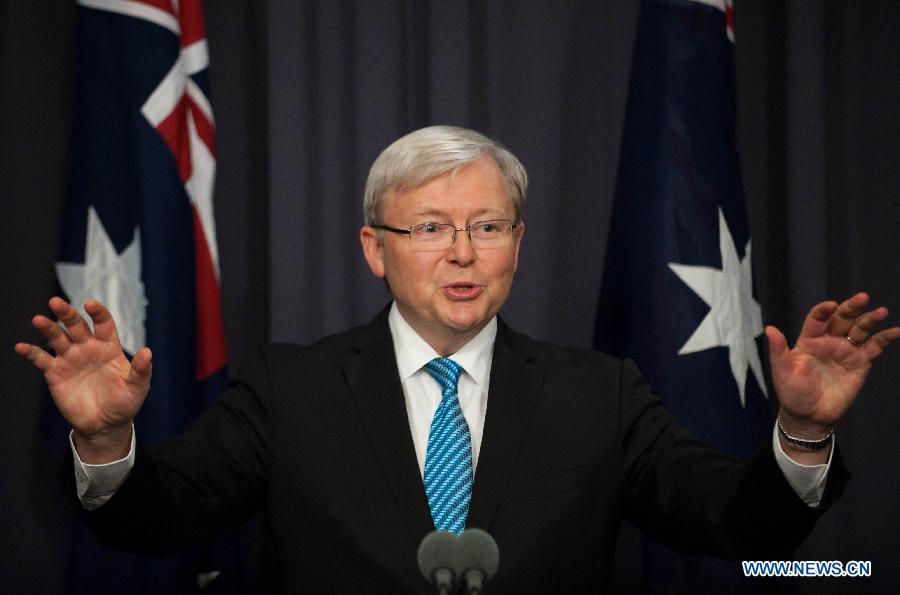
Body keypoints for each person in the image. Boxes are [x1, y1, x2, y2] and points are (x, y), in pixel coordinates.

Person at [16, 126, 899, 592]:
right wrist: (104, 443)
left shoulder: (600, 394)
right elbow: (151, 523)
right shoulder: (289, 390)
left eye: (487, 226)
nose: (463, 253)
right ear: (375, 247)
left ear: (518, 242)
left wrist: (803, 430)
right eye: (431, 228)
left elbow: (743, 529)